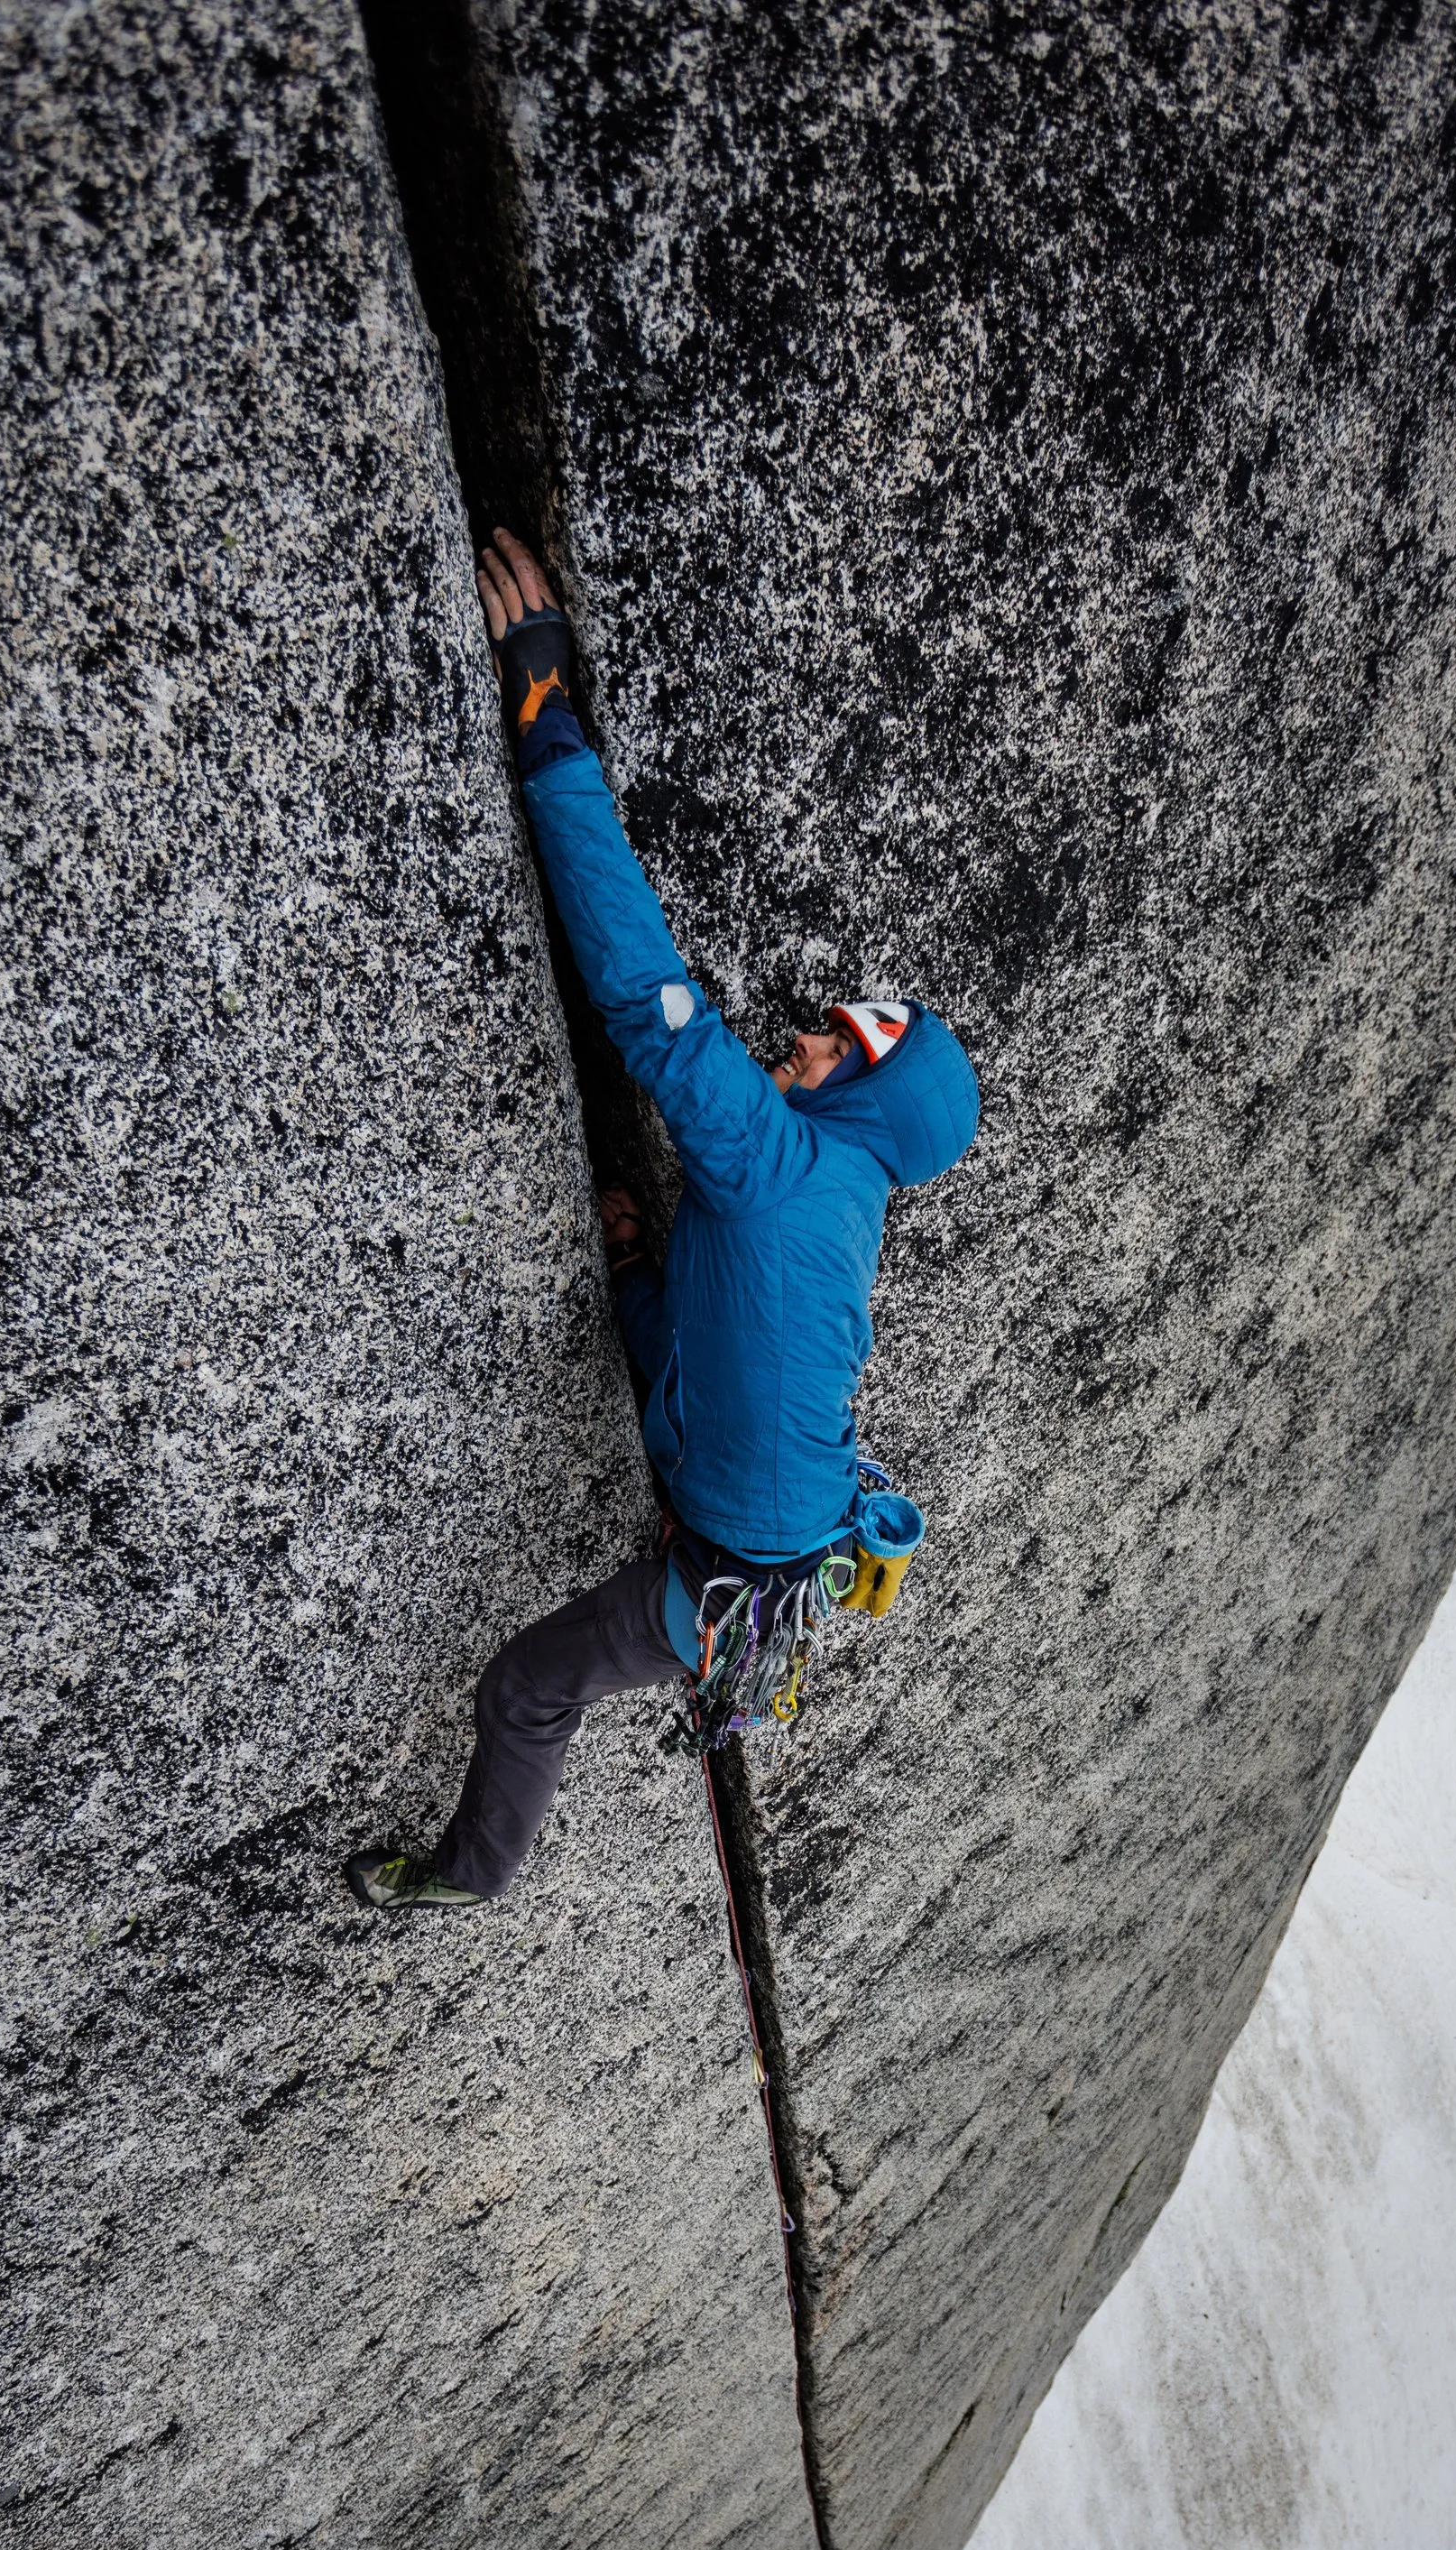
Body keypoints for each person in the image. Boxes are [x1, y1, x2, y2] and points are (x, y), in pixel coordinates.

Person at [346, 531, 980, 1912]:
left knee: (526, 1686)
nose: (809, 1037)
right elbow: (717, 1342)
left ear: (871, 1092)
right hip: (775, 1541)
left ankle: (471, 1874)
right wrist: (634, 1263)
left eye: (847, 1040)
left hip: (727, 1575)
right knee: (669, 1460)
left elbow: (650, 993)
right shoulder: (840, 1193)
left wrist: (547, 727)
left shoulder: (775, 1160)